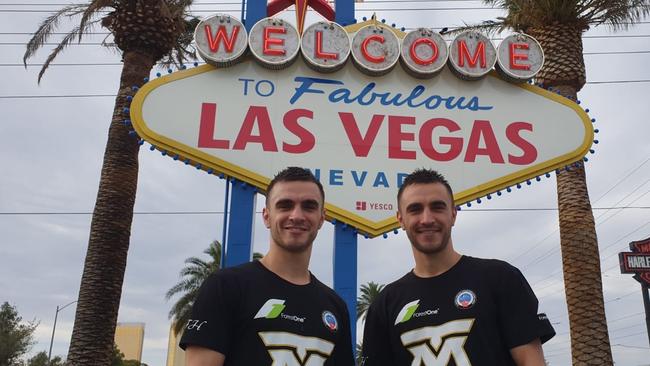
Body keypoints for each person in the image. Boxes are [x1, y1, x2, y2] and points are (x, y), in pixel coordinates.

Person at [361, 168, 555, 366]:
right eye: (415, 209)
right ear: (400, 219)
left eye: (437, 207)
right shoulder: (385, 304)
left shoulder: (501, 279)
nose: (427, 219)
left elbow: (531, 361)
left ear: (453, 214)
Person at [180, 167, 354, 366]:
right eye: (285, 205)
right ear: (266, 216)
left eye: (309, 206)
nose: (297, 215)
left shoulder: (335, 306)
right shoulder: (225, 286)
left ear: (322, 218)